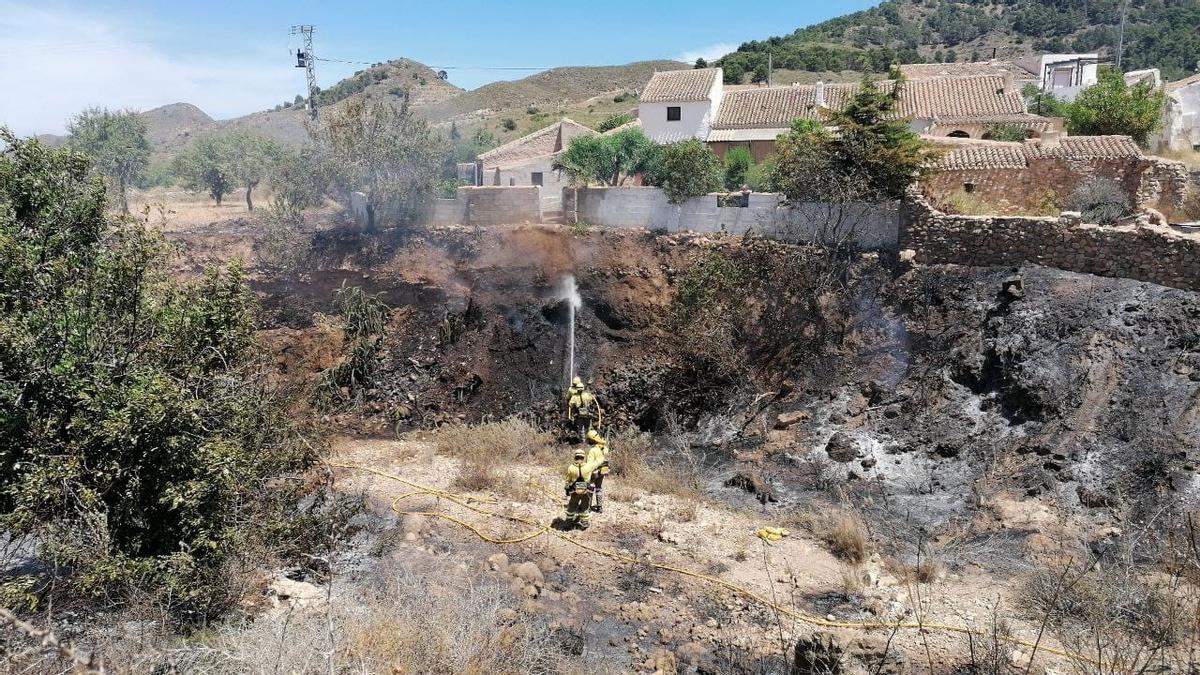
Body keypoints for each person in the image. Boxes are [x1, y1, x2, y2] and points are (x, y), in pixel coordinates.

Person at [562, 447, 603, 530]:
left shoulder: (571, 467)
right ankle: (584, 523)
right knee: (585, 507)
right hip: (585, 491)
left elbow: (568, 480)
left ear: (575, 456)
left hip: (575, 491)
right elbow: (596, 470)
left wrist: (567, 490)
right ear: (583, 457)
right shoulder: (588, 466)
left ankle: (568, 523)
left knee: (572, 506)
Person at [565, 376, 602, 441]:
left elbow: (570, 404)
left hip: (579, 415)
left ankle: (582, 440)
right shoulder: (587, 395)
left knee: (580, 428)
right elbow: (592, 400)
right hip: (587, 414)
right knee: (588, 427)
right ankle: (589, 438)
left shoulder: (574, 397)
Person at [585, 429, 610, 513]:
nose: (588, 441)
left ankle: (587, 507)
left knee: (590, 488)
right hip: (603, 471)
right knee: (599, 488)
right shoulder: (605, 448)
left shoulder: (593, 450)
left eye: (589, 439)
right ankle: (600, 507)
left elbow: (589, 464)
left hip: (594, 472)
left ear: (592, 440)